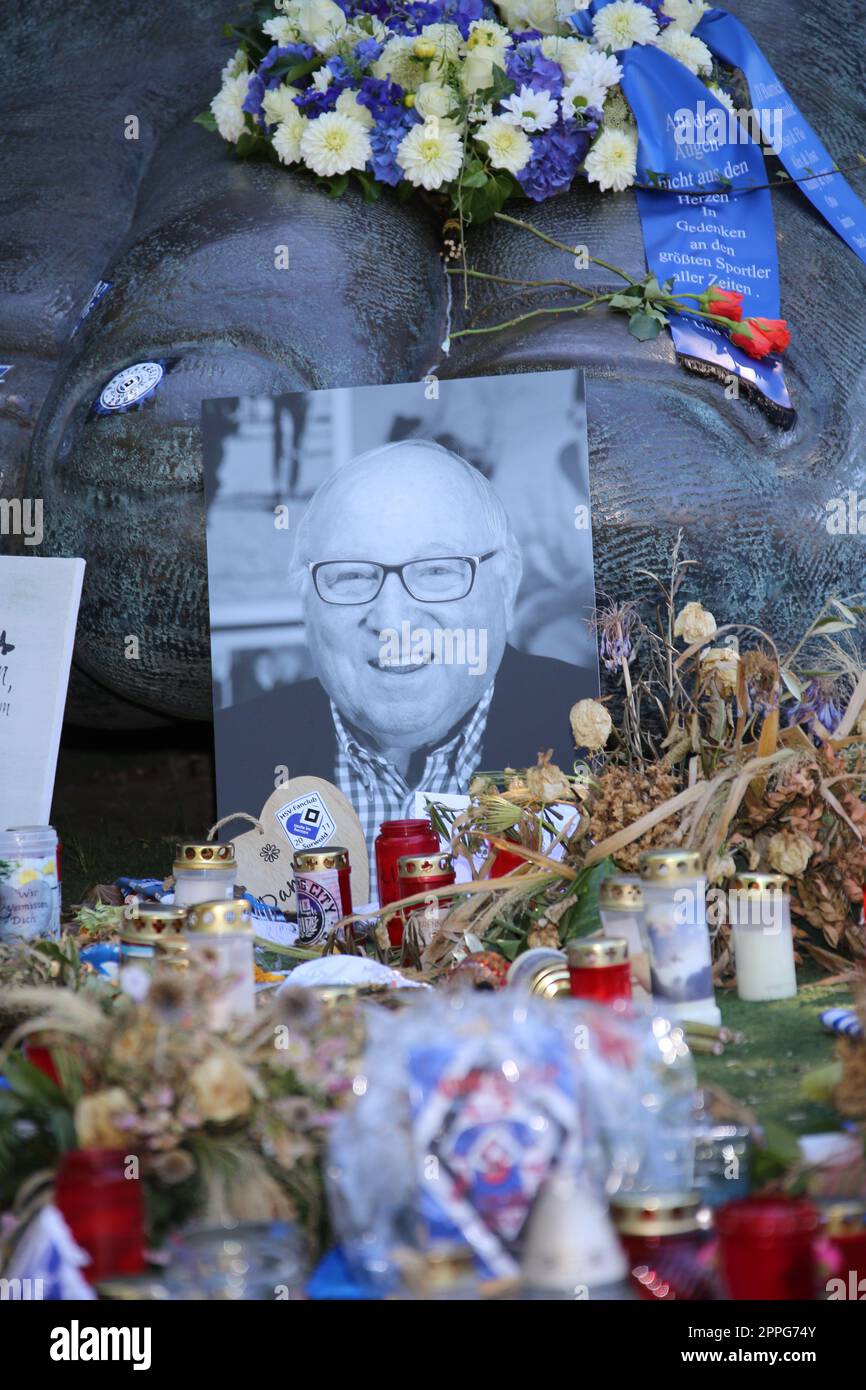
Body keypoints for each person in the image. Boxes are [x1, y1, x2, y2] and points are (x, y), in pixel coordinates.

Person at [214, 440, 598, 876]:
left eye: (436, 569)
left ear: (507, 583)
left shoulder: (602, 727)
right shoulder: (233, 754)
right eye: (352, 575)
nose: (392, 621)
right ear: (304, 600)